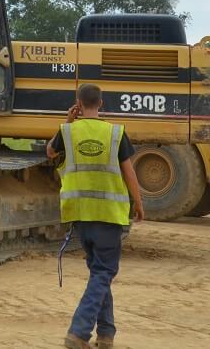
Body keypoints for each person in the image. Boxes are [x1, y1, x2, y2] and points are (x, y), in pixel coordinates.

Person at [46, 83, 145, 349]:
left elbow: (51, 152)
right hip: (108, 215)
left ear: (78, 103)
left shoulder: (67, 132)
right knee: (104, 272)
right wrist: (138, 202)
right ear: (100, 103)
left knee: (99, 272)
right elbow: (129, 172)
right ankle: (78, 333)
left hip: (79, 215)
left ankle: (106, 335)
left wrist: (67, 121)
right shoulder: (115, 133)